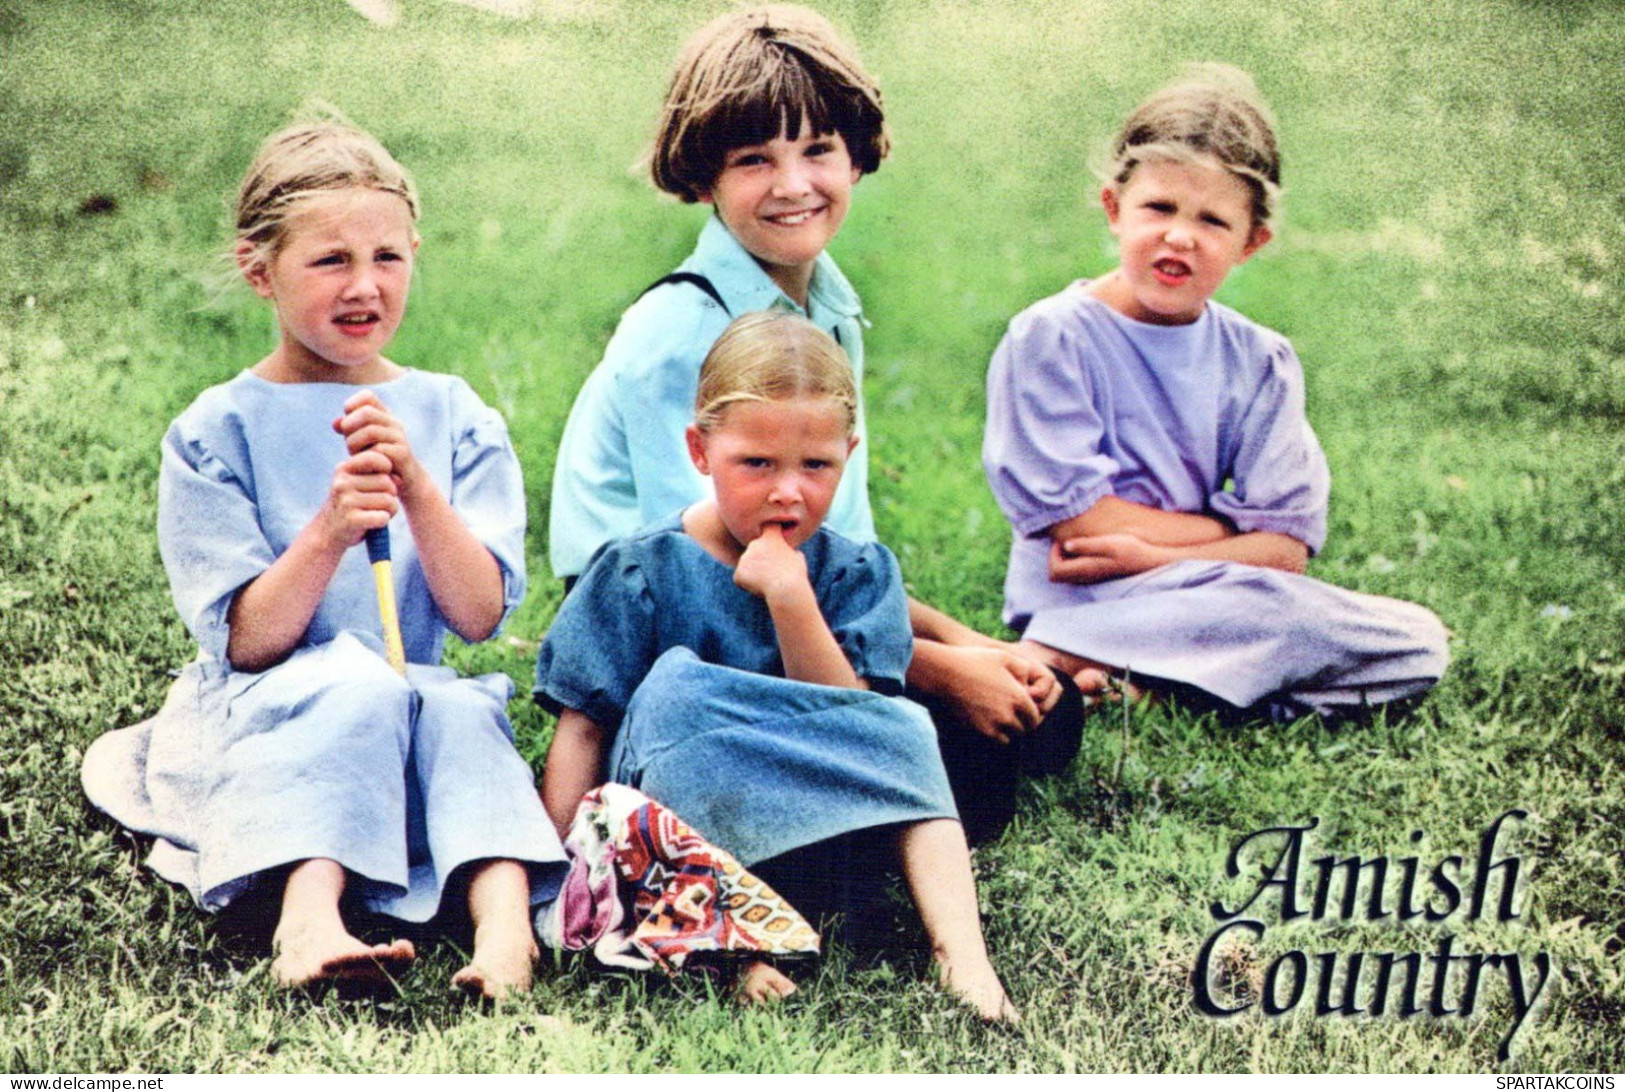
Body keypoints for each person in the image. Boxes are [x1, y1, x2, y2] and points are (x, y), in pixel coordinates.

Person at [547, 3, 1079, 841]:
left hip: (784, 602)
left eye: (817, 150)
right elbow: (698, 569)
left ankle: (850, 773)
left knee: (1039, 714)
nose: (794, 186)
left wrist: (976, 645)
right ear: (705, 175)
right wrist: (938, 673)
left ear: (856, 156)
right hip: (665, 638)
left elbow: (831, 561)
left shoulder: (825, 309)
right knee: (959, 756)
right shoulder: (678, 331)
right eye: (756, 159)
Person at [79, 113, 566, 998]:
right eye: (330, 261)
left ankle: (506, 936)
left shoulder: (455, 417)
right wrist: (327, 532)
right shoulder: (215, 430)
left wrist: (418, 489)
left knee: (456, 711)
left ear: (416, 251)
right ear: (258, 270)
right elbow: (250, 642)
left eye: (387, 257)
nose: (365, 287)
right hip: (274, 701)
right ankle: (309, 923)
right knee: (351, 686)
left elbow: (479, 617)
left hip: (409, 687)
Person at [536, 312, 1016, 1021]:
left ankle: (962, 955)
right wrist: (553, 877)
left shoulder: (856, 574)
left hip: (827, 834)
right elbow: (582, 731)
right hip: (678, 844)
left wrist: (792, 599)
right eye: (755, 465)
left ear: (847, 456)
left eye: (815, 466)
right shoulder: (641, 568)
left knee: (907, 723)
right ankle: (727, 946)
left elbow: (853, 720)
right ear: (700, 451)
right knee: (676, 686)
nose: (787, 491)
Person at [983, 65, 1449, 719]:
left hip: (1204, 591)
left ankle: (1143, 683)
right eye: (1158, 207)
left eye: (1212, 221)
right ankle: (1080, 660)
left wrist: (1157, 552)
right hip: (1084, 598)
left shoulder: (1260, 362)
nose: (1179, 235)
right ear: (1114, 208)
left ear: (1250, 242)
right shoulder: (1052, 337)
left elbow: (1284, 549)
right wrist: (1224, 530)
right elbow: (1079, 524)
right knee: (1265, 609)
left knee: (1414, 644)